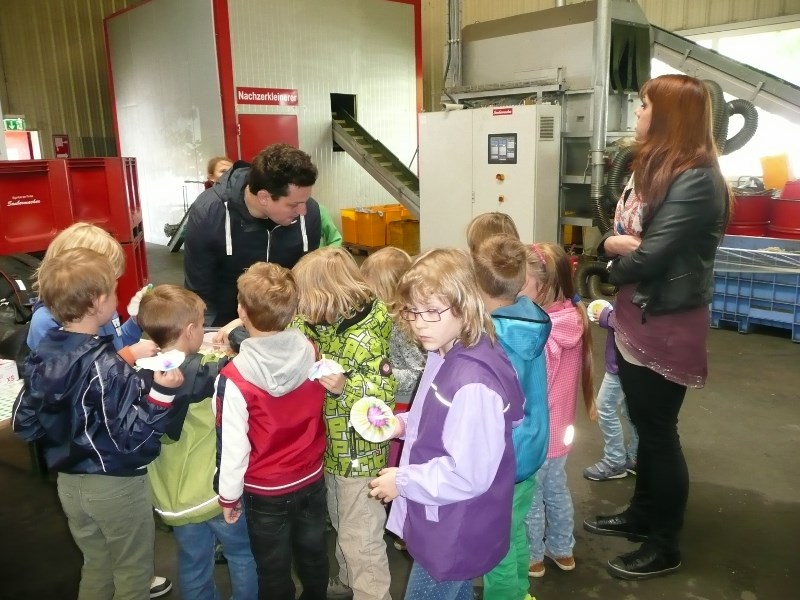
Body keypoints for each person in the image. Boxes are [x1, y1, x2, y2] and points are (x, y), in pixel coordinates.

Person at [583, 74, 730, 580]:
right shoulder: (656, 168)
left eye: (645, 106)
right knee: (645, 427)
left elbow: (648, 255)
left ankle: (665, 543)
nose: (639, 113)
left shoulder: (696, 178)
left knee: (659, 434)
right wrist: (614, 247)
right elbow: (624, 236)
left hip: (666, 319)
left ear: (669, 116)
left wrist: (612, 260)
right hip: (638, 310)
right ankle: (643, 513)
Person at [11, 248, 184, 600]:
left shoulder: (44, 351)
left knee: (96, 564)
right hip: (115, 486)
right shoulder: (106, 366)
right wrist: (162, 395)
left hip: (69, 484)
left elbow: (25, 423)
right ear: (99, 302)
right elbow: (133, 439)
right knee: (133, 571)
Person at [368, 248, 524, 600]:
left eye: (432, 312)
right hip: (448, 517)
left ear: (464, 305)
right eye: (412, 311)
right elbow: (440, 418)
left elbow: (468, 474)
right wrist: (403, 425)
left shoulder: (472, 382)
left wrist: (402, 481)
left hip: (456, 526)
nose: (419, 322)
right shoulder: (446, 350)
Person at [212, 262, 327, 600]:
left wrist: (228, 496)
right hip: (310, 478)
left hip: (265, 490)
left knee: (273, 568)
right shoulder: (310, 350)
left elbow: (233, 448)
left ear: (240, 310)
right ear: (293, 314)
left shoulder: (234, 378)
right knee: (314, 555)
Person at [137, 285, 257, 600]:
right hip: (215, 493)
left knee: (193, 563)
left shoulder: (140, 371)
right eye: (202, 324)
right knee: (243, 555)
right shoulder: (208, 373)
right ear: (191, 330)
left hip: (174, 498)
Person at [291, 247, 396, 600]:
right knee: (342, 521)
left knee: (361, 535)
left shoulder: (364, 338)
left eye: (305, 300)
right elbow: (298, 324)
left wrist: (345, 386)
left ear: (325, 297)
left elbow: (383, 392)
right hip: (335, 448)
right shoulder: (331, 319)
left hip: (359, 453)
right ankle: (351, 582)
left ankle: (371, 592)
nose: (302, 308)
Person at [472, 235, 551, 600]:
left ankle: (506, 595)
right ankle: (520, 593)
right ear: (522, 282)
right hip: (530, 450)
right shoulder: (531, 322)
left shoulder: (490, 338)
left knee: (493, 545)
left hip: (501, 458)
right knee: (513, 528)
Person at [184, 143, 322, 327]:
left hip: (285, 321)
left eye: (305, 201)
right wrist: (208, 340)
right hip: (223, 323)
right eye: (293, 205)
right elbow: (199, 292)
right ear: (264, 197)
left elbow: (307, 283)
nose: (303, 211)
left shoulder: (308, 212)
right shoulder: (209, 213)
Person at [521, 242, 595, 578]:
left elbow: (537, 383)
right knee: (556, 488)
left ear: (546, 285)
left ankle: (533, 555)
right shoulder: (571, 316)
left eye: (521, 283)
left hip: (538, 431)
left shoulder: (545, 331)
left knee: (532, 496)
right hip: (561, 428)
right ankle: (562, 550)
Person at [360, 247, 425, 553]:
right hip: (392, 403)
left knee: (400, 465)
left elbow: (418, 373)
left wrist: (382, 374)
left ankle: (407, 526)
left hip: (403, 407)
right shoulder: (385, 319)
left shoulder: (402, 325)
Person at [27, 222, 158, 366]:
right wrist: (129, 356)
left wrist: (136, 321)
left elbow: (116, 344)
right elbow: (70, 376)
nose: (110, 293)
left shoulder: (101, 305)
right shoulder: (46, 322)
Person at [583, 301, 638, 481]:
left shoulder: (635, 285)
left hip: (622, 366)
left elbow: (630, 321)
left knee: (605, 408)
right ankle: (636, 455)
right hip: (627, 364)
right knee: (630, 411)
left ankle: (615, 461)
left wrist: (607, 315)